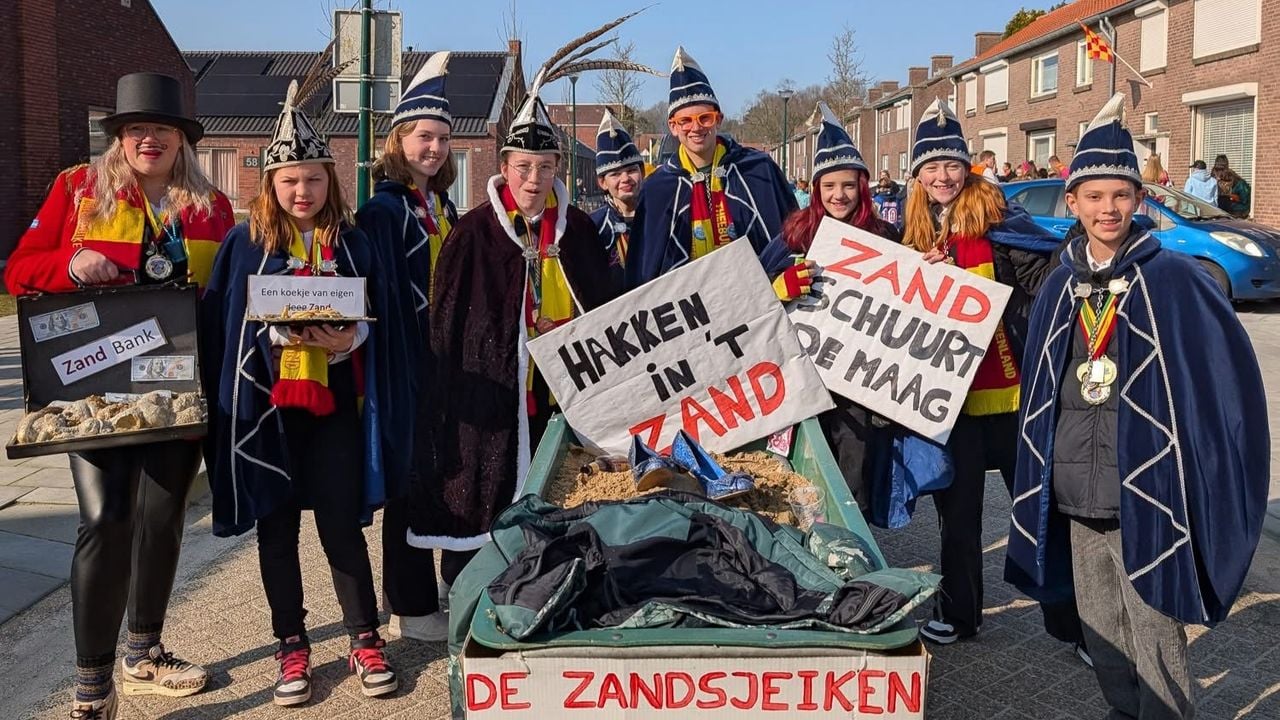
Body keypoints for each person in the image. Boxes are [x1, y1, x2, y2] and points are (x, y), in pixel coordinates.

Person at [1007, 94, 1268, 719]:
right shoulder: (1059, 283)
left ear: (1138, 200)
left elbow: (1222, 380)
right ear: (1073, 203)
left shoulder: (1172, 277)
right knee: (1099, 627)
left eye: (1120, 195)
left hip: (1144, 487)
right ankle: (1124, 712)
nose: (1108, 209)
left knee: (1153, 626)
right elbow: (1041, 385)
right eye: (1094, 197)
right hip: (1073, 486)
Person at [4, 72, 233, 720]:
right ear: (120, 138)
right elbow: (21, 269)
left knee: (164, 518)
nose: (149, 139)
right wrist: (70, 266)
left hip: (177, 391)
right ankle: (91, 686)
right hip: (94, 393)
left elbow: (225, 298)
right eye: (137, 130)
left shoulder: (210, 206)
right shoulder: (78, 190)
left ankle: (146, 651)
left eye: (161, 129)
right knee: (106, 521)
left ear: (181, 139)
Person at [201, 71, 409, 706]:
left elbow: (381, 318)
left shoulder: (353, 242)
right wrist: (265, 347)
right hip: (268, 413)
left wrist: (351, 342)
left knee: (342, 526)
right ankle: (291, 646)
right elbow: (222, 324)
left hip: (336, 408)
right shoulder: (246, 243)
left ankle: (363, 636)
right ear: (270, 184)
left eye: (313, 178)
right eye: (290, 181)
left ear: (331, 181)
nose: (302, 190)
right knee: (276, 530)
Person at [406, 64, 617, 562]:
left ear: (557, 169)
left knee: (561, 488)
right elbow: (456, 323)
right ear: (505, 166)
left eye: (545, 167)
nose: (534, 179)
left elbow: (604, 307)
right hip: (495, 389)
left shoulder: (580, 232)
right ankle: (470, 579)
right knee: (484, 481)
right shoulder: (474, 233)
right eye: (524, 167)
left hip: (563, 389)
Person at [901, 99, 1084, 653]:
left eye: (951, 164)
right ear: (917, 176)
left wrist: (972, 285)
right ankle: (961, 614)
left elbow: (1046, 282)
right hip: (948, 402)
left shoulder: (1003, 222)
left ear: (968, 167)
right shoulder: (908, 234)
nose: (942, 176)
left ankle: (1077, 626)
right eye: (930, 167)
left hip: (1011, 396)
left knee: (1039, 510)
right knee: (957, 520)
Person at [354, 52, 458, 643]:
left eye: (443, 138)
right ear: (398, 140)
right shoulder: (382, 212)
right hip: (404, 368)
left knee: (437, 479)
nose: (436, 149)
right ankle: (411, 606)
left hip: (443, 366)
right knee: (408, 483)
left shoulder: (438, 206)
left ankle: (433, 592)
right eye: (424, 137)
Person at [759, 103, 901, 510]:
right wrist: (779, 286)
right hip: (804, 377)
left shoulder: (885, 235)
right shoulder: (795, 233)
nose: (839, 195)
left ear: (862, 187)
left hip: (859, 385)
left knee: (854, 473)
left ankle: (854, 555)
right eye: (829, 186)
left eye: (849, 186)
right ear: (817, 190)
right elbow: (753, 297)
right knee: (801, 471)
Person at [626, 47, 796, 288]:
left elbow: (790, 235)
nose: (696, 128)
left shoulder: (759, 169)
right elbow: (643, 271)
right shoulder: (657, 188)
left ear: (719, 119)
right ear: (672, 127)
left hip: (758, 296)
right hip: (691, 311)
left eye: (704, 118)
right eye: (684, 121)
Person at [590, 109, 645, 290]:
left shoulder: (662, 216)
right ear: (602, 182)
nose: (625, 179)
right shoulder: (593, 226)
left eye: (631, 171)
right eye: (615, 174)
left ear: (642, 172)